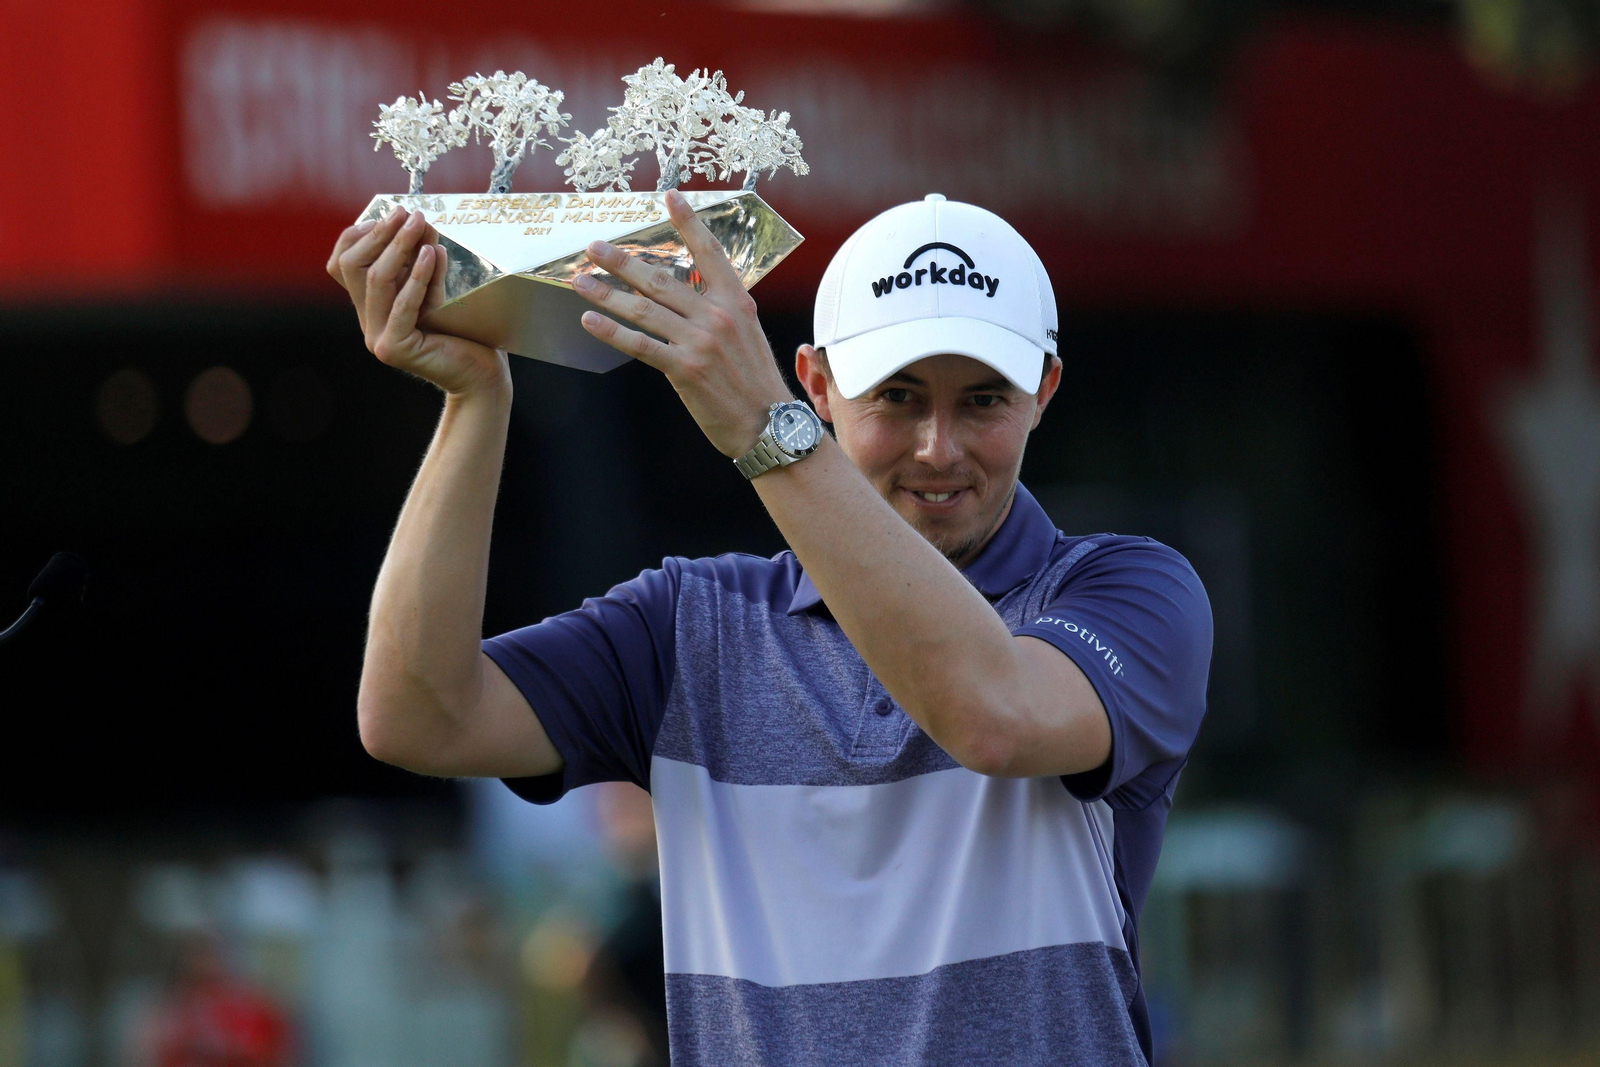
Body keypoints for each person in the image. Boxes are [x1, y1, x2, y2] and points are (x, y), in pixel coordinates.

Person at [326, 190, 1212, 1065]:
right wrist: (473, 399)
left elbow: (993, 714)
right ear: (818, 384)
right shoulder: (692, 621)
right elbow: (418, 716)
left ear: (1043, 390)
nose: (939, 447)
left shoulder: (1130, 590)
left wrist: (762, 426)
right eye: (897, 396)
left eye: (983, 400)